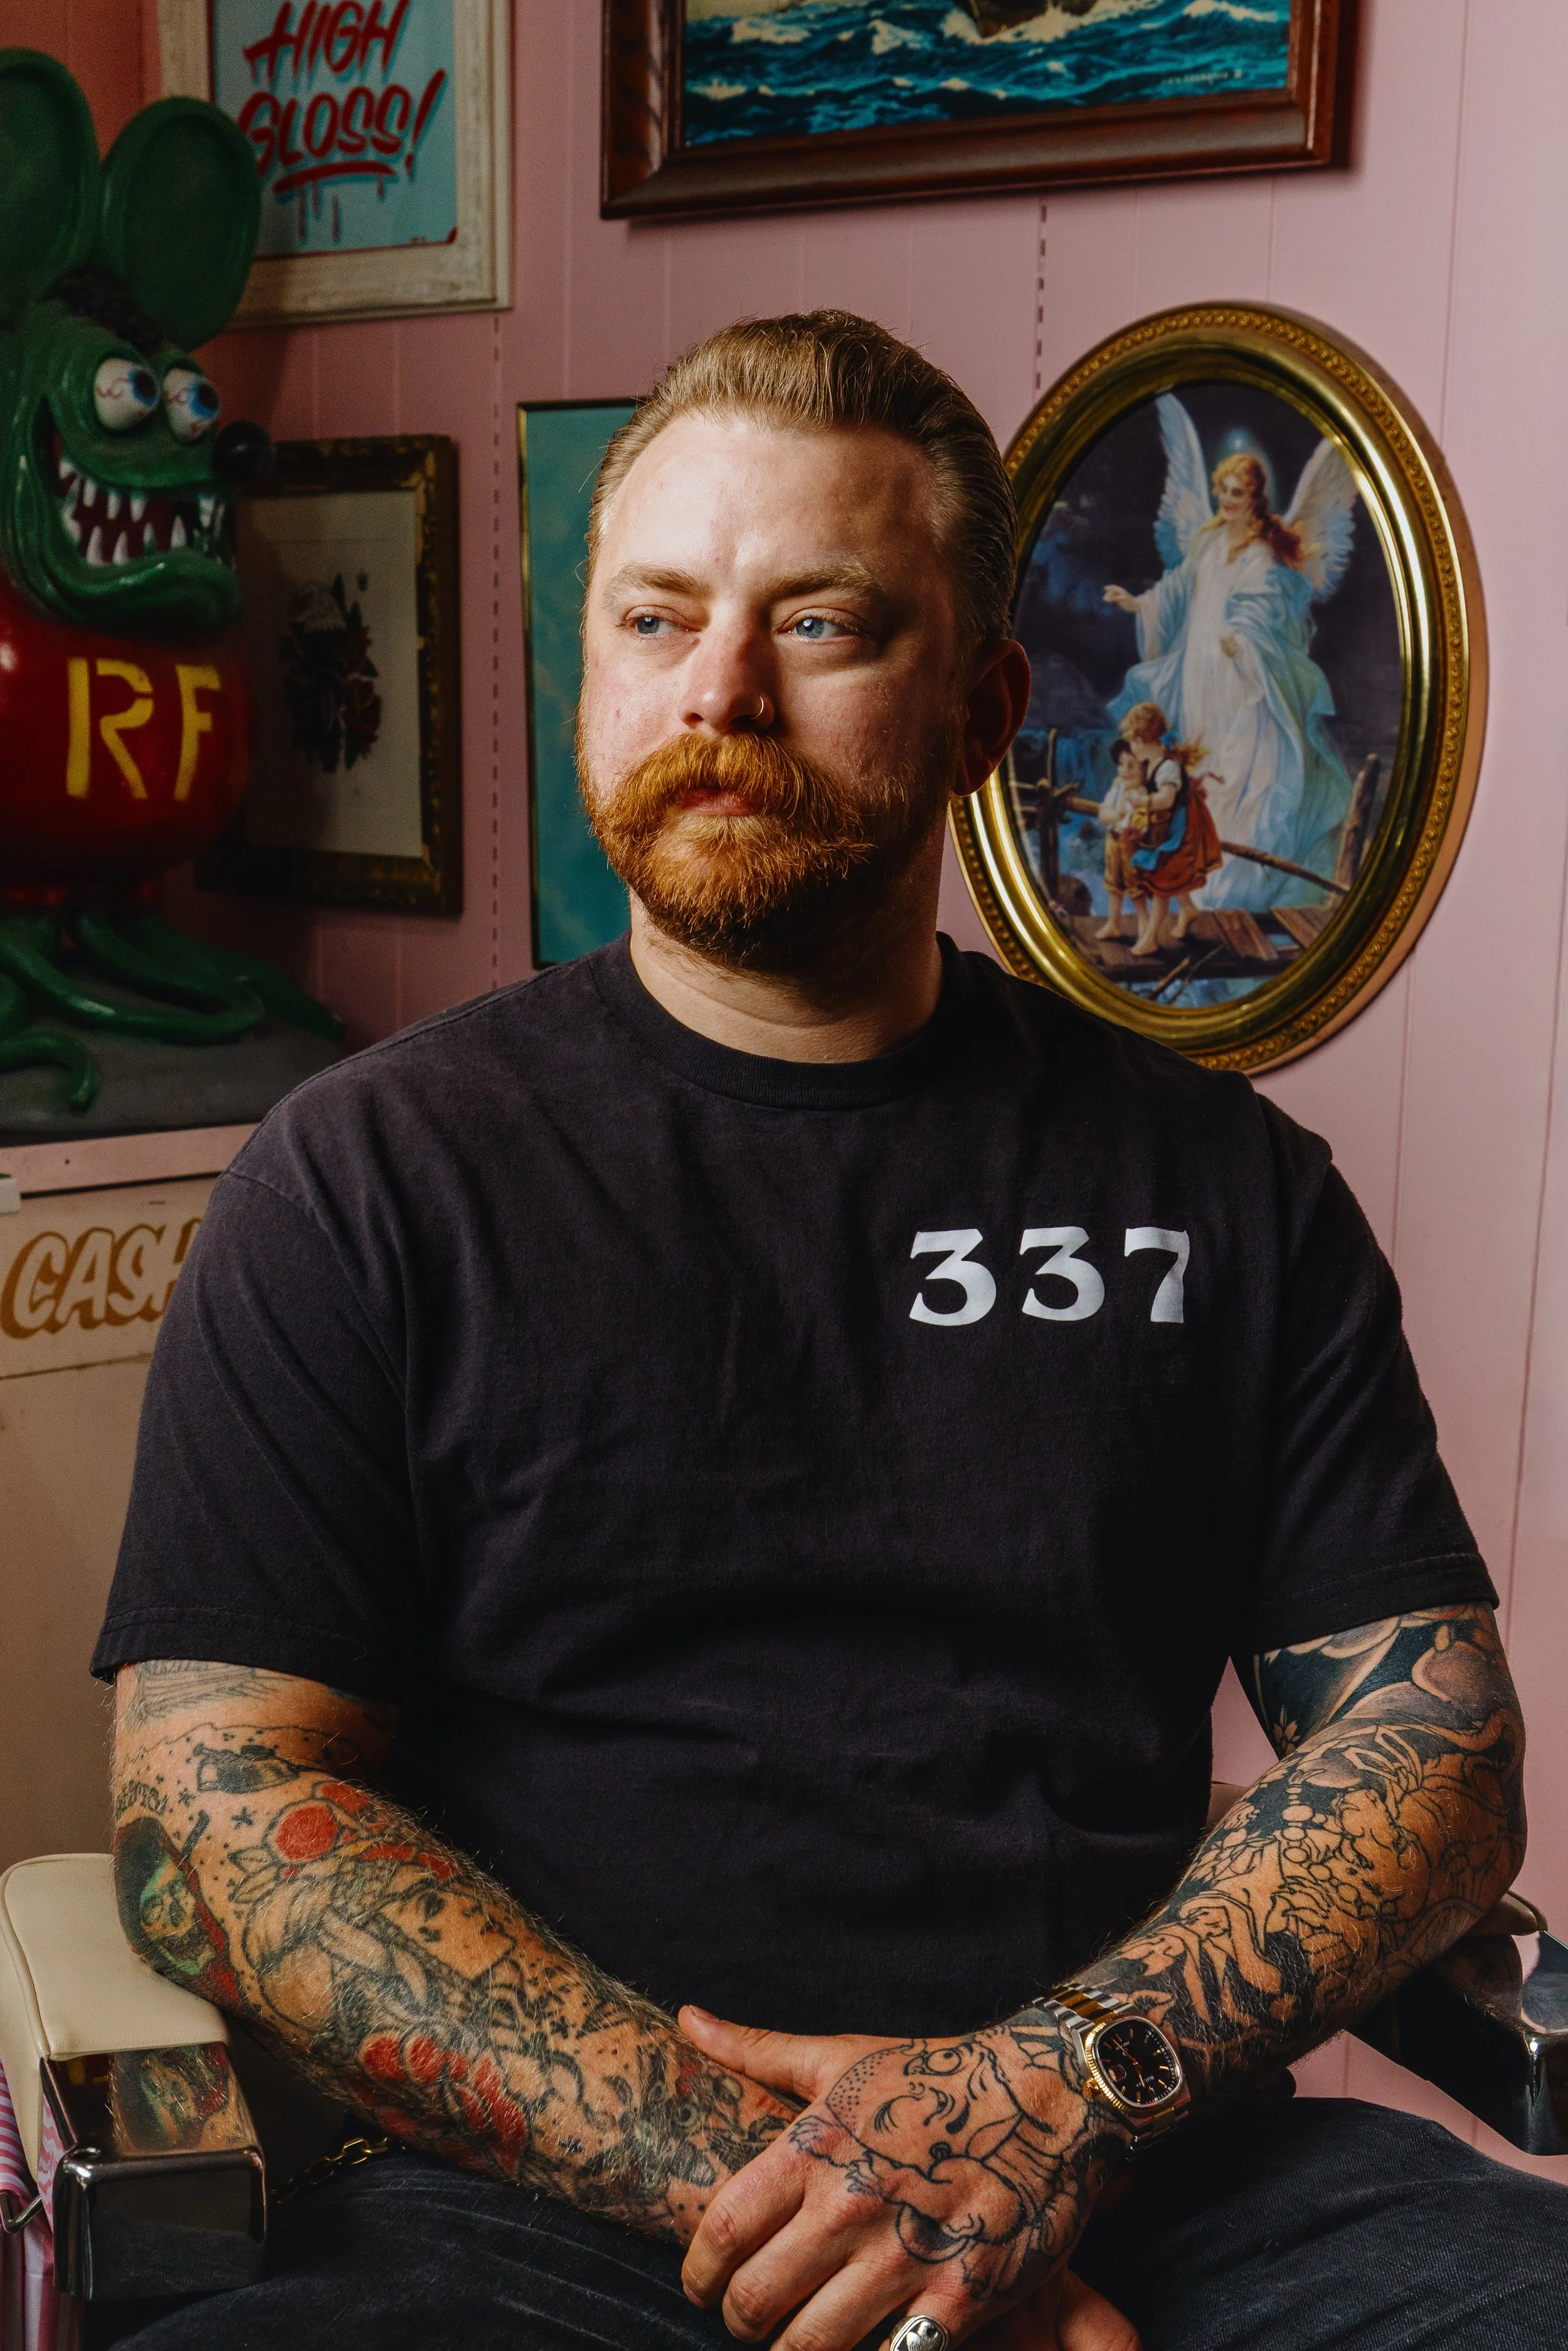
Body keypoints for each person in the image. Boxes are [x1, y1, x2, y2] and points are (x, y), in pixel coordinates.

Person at [97, 312, 1566, 2351]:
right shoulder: (364, 1183)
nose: (720, 690)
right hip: (548, 2205)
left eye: (824, 623)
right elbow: (220, 1817)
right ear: (586, 668)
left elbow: (1432, 1748)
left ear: (983, 707)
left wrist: (1043, 2105)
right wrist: (814, 2191)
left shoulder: (1223, 1188)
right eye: (657, 618)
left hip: (1141, 2162)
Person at [1103, 440, 1352, 913]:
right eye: (1223, 490)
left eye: (1237, 492)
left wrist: (1244, 642)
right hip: (1200, 671)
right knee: (1199, 764)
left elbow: (1268, 612)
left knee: (1242, 768)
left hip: (1241, 676)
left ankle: (1232, 880)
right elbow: (1177, 589)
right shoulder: (1208, 542)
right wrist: (1139, 603)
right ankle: (1191, 873)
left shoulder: (1261, 554)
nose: (1228, 500)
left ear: (1254, 498)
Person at [1118, 701, 1224, 957]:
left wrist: (1141, 801)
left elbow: (1165, 800)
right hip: (1168, 825)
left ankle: (1151, 938)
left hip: (1182, 828)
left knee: (1164, 877)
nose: (1131, 748)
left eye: (1133, 742)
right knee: (1171, 872)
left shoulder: (1168, 767)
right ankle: (1187, 909)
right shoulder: (1153, 763)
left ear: (1143, 740)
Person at [1093, 738, 1150, 942]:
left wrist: (1129, 818)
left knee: (1135, 885)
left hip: (1130, 844)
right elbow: (1103, 813)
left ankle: (1144, 923)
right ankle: (1113, 924)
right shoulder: (1117, 788)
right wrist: (1115, 815)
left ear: (1145, 770)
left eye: (1131, 766)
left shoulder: (1141, 795)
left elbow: (1141, 824)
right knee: (1113, 882)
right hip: (1113, 839)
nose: (1125, 771)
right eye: (1121, 765)